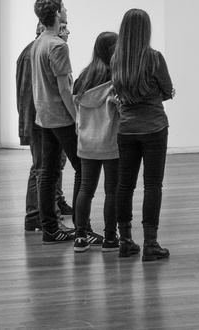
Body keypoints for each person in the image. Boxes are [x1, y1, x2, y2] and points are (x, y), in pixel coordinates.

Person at [112, 8, 174, 262]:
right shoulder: (154, 58)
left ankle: (125, 241)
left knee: (124, 184)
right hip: (154, 127)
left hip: (126, 129)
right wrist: (155, 96)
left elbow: (118, 92)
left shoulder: (117, 60)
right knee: (153, 184)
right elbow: (167, 89)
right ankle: (150, 243)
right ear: (146, 30)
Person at [31, 0, 83, 245]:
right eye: (63, 7)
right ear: (56, 13)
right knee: (83, 169)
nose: (66, 10)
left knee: (48, 173)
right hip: (62, 119)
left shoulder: (38, 42)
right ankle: (82, 228)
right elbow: (64, 89)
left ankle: (50, 229)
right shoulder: (58, 45)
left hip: (44, 117)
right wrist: (78, 119)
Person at [15, 22, 72, 232]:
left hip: (46, 118)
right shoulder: (35, 52)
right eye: (62, 25)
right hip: (41, 120)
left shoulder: (42, 49)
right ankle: (36, 215)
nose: (65, 31)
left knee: (52, 165)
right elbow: (30, 93)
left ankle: (53, 204)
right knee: (42, 168)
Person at [72, 31, 121, 253]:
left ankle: (80, 237)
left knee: (85, 189)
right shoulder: (115, 80)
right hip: (110, 142)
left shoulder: (83, 78)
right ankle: (110, 238)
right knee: (112, 191)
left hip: (86, 142)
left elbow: (75, 106)